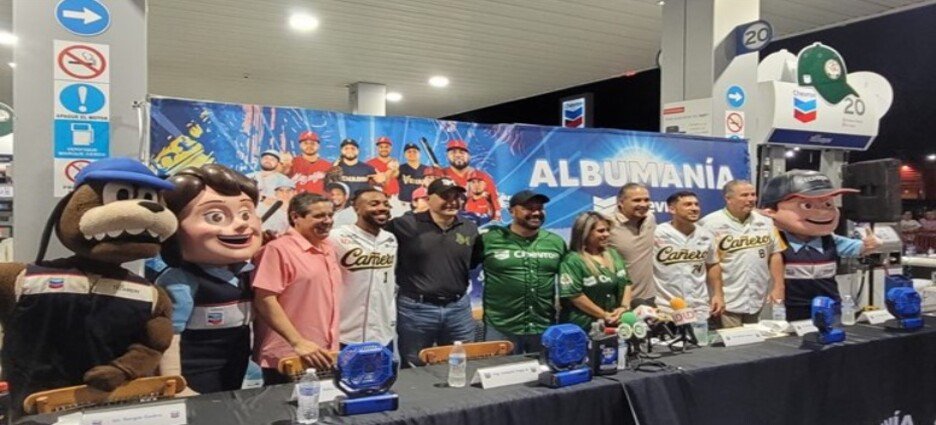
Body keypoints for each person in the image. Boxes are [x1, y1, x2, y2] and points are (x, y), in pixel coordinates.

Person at [157, 164, 263, 394]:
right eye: (216, 216)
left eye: (246, 214)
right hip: (195, 368)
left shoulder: (246, 272)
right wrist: (174, 381)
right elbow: (168, 337)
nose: (241, 224)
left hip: (236, 362)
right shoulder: (180, 281)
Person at [386, 178, 483, 366]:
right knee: (414, 365)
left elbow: (472, 262)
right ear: (429, 198)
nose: (452, 202)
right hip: (416, 309)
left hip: (458, 309)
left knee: (462, 364)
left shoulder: (469, 227)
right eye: (445, 196)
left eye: (457, 196)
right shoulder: (404, 224)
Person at [760, 170, 880, 321]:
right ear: (771, 211)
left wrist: (869, 244)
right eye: (807, 205)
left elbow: (858, 247)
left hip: (831, 308)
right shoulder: (773, 242)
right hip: (791, 310)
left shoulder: (830, 240)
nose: (823, 212)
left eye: (828, 204)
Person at [252, 193, 342, 384]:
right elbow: (265, 300)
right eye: (319, 216)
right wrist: (297, 342)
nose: (327, 221)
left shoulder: (328, 247)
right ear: (295, 217)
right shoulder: (278, 249)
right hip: (290, 356)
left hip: (325, 354)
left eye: (330, 215)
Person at [481, 191, 566, 353]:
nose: (536, 213)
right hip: (501, 327)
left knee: (544, 369)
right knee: (499, 369)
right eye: (528, 208)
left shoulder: (556, 242)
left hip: (543, 327)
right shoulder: (489, 240)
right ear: (511, 211)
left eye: (540, 208)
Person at [698, 180, 784, 328]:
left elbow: (775, 254)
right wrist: (716, 295)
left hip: (757, 296)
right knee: (733, 340)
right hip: (726, 298)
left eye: (753, 195)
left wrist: (778, 287)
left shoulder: (766, 222)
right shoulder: (709, 224)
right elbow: (705, 263)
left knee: (756, 339)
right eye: (744, 195)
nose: (751, 199)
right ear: (728, 198)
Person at [330, 189, 398, 350]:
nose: (382, 208)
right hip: (344, 332)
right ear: (356, 208)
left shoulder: (390, 238)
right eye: (374, 204)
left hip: (382, 333)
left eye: (386, 204)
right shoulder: (336, 237)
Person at [653, 191, 724, 322]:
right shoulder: (657, 233)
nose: (694, 208)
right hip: (666, 307)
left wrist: (718, 294)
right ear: (672, 209)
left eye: (696, 204)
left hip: (699, 306)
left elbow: (713, 264)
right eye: (687, 204)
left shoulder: (706, 235)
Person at [558, 212, 631, 331]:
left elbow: (626, 282)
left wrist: (624, 307)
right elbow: (574, 295)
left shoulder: (613, 254)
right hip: (582, 327)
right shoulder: (572, 260)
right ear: (585, 233)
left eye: (608, 230)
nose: (607, 234)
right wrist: (604, 315)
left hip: (614, 325)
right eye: (601, 231)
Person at [608, 183, 657, 308]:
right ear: (621, 202)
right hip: (618, 302)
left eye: (646, 200)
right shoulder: (606, 224)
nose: (643, 204)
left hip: (648, 299)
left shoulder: (650, 218)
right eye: (637, 200)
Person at [442, 139, 501, 221]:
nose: (458, 155)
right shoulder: (440, 175)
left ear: (469, 156)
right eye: (453, 152)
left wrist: (495, 219)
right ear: (447, 156)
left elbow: (495, 202)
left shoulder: (484, 177)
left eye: (462, 152)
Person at [284, 131, 331, 195]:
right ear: (300, 145)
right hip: (296, 200)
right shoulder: (291, 162)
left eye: (313, 143)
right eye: (305, 143)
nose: (309, 146)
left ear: (318, 146)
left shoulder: (328, 165)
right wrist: (284, 166)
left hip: (319, 200)